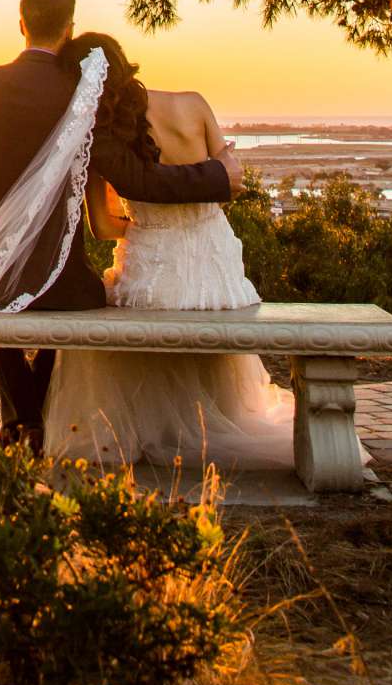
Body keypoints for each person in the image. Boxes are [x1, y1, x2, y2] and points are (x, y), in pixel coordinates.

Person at [0, 0, 244, 454]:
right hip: (60, 281)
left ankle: (18, 418)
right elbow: (138, 181)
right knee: (79, 296)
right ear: (69, 29)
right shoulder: (83, 96)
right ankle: (33, 417)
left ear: (21, 24)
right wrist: (218, 175)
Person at [41, 31, 294, 471]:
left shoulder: (105, 133)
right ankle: (215, 420)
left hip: (154, 267)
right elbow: (228, 177)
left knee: (100, 327)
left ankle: (149, 429)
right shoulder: (194, 103)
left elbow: (102, 226)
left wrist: (143, 221)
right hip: (216, 265)